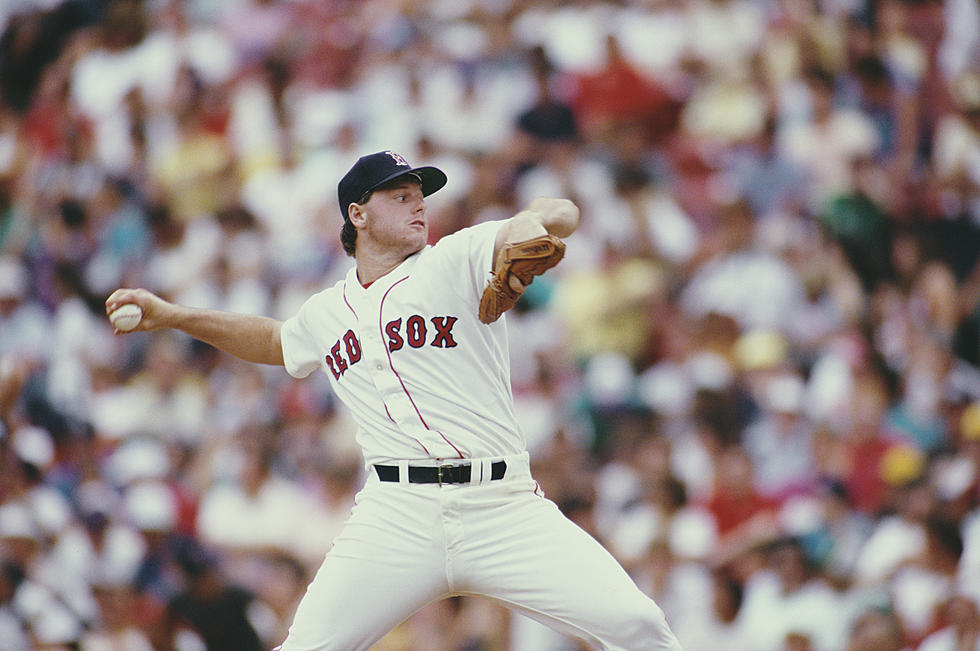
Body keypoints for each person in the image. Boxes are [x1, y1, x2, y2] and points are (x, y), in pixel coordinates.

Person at [106, 150, 684, 651]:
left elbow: (561, 213)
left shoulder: (453, 260)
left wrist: (531, 230)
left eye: (421, 195)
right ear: (357, 215)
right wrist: (174, 316)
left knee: (638, 626)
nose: (418, 205)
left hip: (501, 506)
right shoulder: (327, 311)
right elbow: (276, 340)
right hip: (397, 513)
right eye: (401, 195)